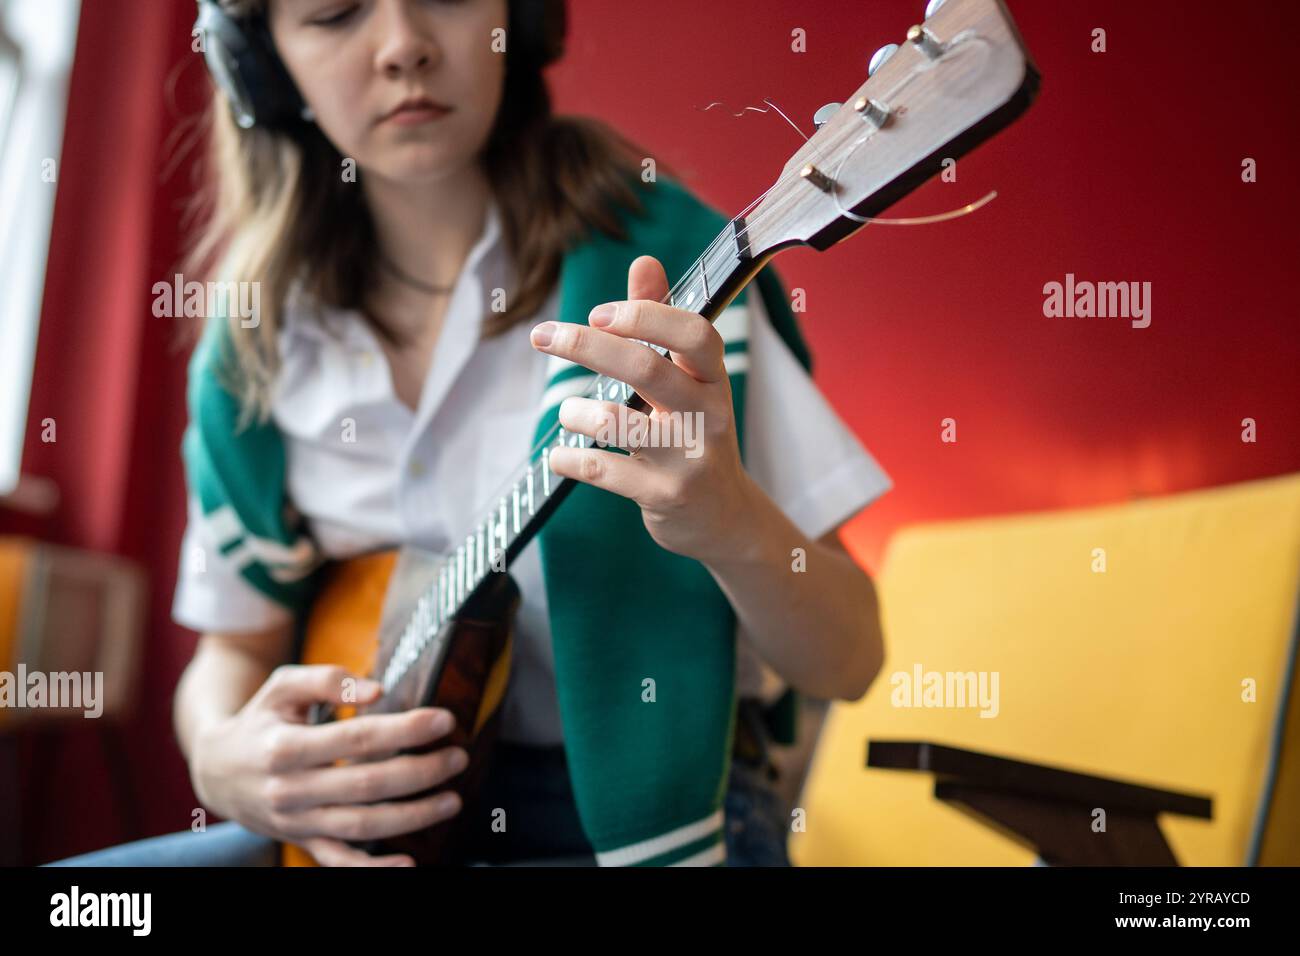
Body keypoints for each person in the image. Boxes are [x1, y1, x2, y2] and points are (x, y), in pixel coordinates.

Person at [49, 0, 890, 867]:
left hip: (659, 828)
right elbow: (234, 648)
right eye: (334, 14)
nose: (403, 47)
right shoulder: (256, 345)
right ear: (262, 66)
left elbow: (853, 660)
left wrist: (730, 522)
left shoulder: (675, 273)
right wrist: (223, 760)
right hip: (368, 828)